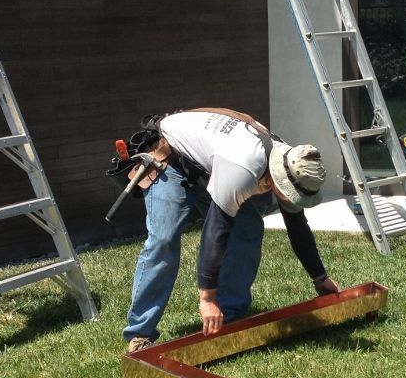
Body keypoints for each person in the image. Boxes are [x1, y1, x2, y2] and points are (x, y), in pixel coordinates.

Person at [123, 108, 341, 352]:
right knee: (163, 239)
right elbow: (216, 232)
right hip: (171, 160)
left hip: (211, 166)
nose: (293, 199)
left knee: (248, 227)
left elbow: (297, 226)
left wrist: (319, 278)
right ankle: (140, 332)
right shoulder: (243, 169)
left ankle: (230, 317)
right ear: (279, 179)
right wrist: (206, 299)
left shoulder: (292, 160)